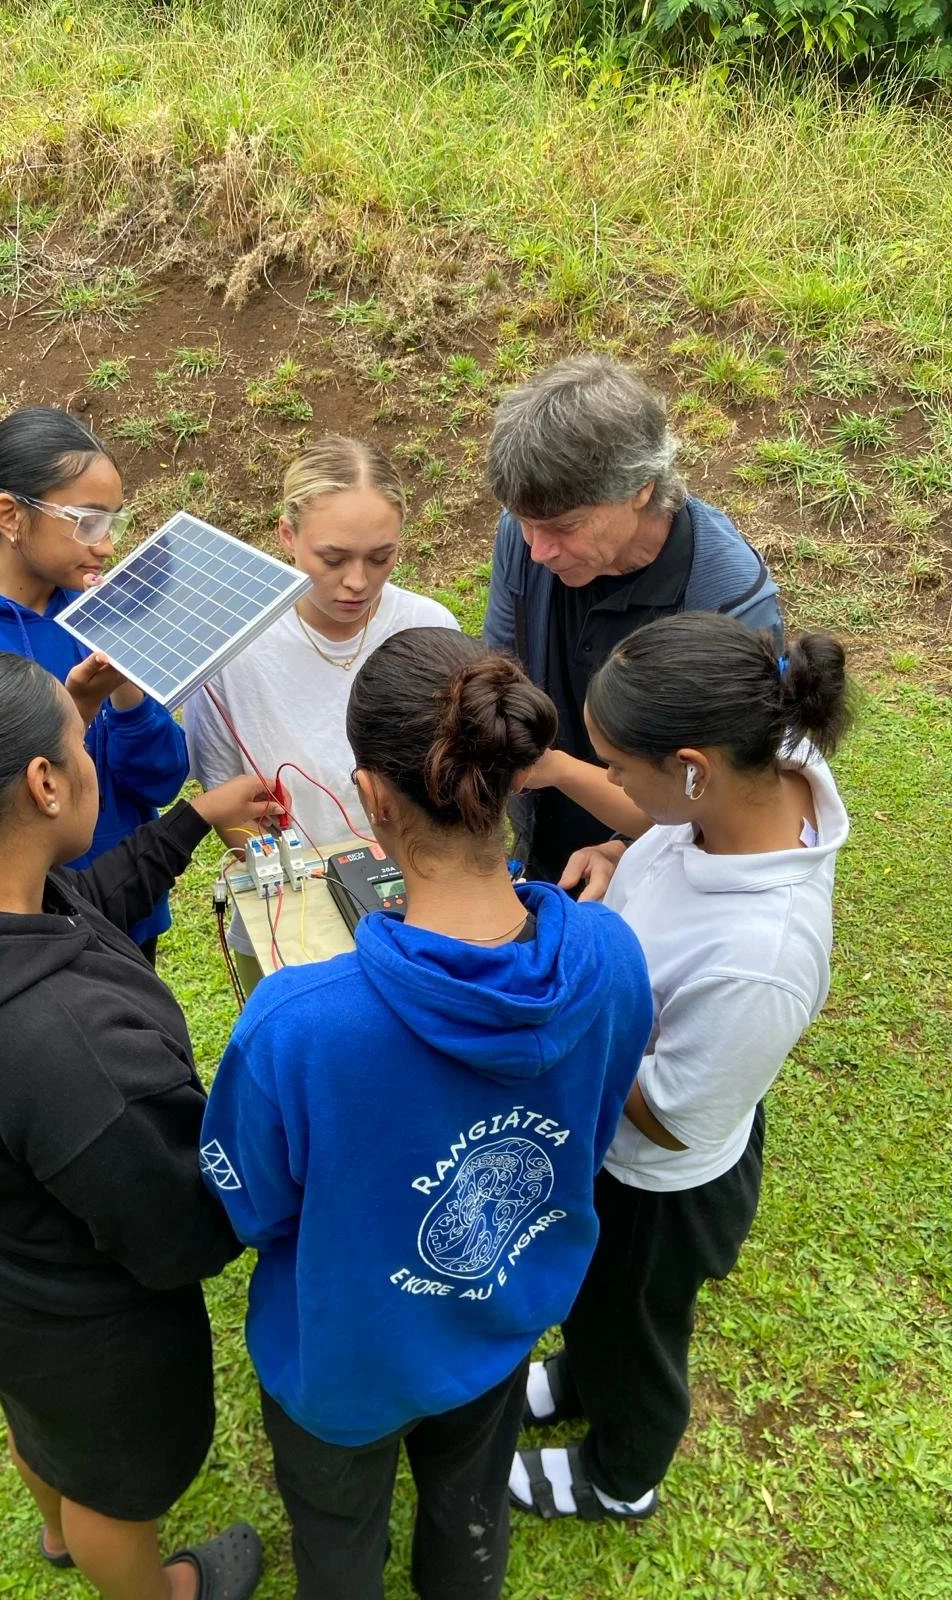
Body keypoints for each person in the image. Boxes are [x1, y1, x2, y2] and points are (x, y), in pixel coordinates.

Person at [199, 628, 654, 1600]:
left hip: (341, 1369)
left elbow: (252, 1208)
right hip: (499, 1328)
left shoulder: (297, 1027)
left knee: (338, 1547)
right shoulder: (613, 956)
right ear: (519, 772)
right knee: (469, 1521)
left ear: (371, 796)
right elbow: (596, 1112)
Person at [0, 650, 278, 1600]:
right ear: (44, 784)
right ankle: (152, 1587)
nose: (87, 757)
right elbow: (183, 1235)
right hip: (92, 1334)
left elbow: (87, 910)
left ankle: (54, 1530)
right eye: (80, 743)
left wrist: (192, 820)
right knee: (116, 1489)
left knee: (42, 1422)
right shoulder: (75, 1055)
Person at [509, 613, 851, 1526]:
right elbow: (662, 837)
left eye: (618, 767)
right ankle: (579, 1372)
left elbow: (676, 1116)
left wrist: (579, 1008)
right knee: (594, 1298)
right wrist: (622, 850)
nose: (609, 780)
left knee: (637, 1333)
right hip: (616, 1158)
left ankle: (621, 1476)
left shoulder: (762, 958)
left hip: (658, 1186)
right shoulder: (741, 792)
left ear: (691, 768)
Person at [0, 405, 189, 959]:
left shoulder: (104, 613)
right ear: (9, 515)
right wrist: (76, 706)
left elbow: (160, 781)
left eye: (115, 523)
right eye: (88, 522)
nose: (107, 545)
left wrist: (126, 691)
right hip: (16, 933)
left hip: (127, 908)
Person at [483, 355, 783, 883]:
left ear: (641, 487)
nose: (536, 551)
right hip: (550, 844)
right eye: (524, 524)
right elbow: (503, 670)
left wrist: (627, 849)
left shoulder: (729, 602)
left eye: (563, 526)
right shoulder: (528, 533)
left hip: (671, 872)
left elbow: (722, 800)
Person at [183, 436, 459, 994]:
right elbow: (229, 801)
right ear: (288, 535)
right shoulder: (232, 648)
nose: (357, 581)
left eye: (380, 557)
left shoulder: (429, 629)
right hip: (293, 921)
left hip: (420, 910)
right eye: (332, 559)